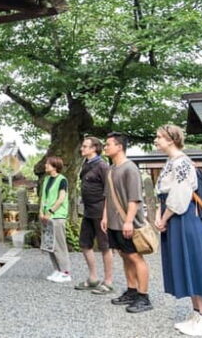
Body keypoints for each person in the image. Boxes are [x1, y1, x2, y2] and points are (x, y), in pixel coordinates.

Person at [154, 124, 202, 336]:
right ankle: (197, 314)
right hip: (175, 217)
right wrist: (159, 216)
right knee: (186, 263)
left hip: (185, 218)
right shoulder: (172, 161)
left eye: (159, 137)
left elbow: (180, 195)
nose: (156, 140)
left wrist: (163, 218)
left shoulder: (182, 162)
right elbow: (163, 193)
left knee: (195, 264)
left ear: (171, 139)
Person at [101, 132, 152, 313]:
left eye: (108, 144)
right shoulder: (111, 169)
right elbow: (108, 196)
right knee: (124, 255)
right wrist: (105, 217)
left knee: (135, 257)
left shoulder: (130, 168)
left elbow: (134, 198)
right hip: (114, 222)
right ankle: (131, 290)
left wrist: (129, 221)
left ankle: (144, 296)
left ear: (119, 146)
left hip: (127, 222)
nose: (105, 147)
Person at [74, 136, 114, 294]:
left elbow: (109, 192)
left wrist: (106, 216)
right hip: (88, 211)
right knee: (85, 244)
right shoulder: (86, 164)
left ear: (94, 148)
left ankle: (108, 281)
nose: (82, 149)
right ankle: (93, 278)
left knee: (105, 246)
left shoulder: (102, 166)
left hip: (100, 210)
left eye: (85, 146)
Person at [40, 156, 71, 283]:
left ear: (55, 166)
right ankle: (57, 269)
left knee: (59, 245)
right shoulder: (46, 179)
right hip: (46, 216)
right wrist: (41, 212)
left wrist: (50, 212)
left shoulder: (62, 180)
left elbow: (61, 199)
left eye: (48, 164)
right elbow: (43, 197)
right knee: (50, 244)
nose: (46, 165)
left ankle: (66, 272)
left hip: (57, 216)